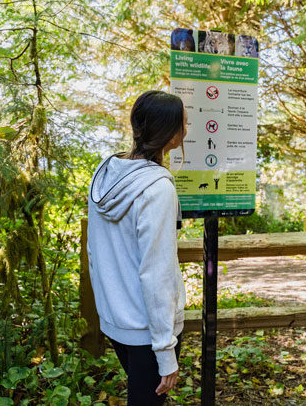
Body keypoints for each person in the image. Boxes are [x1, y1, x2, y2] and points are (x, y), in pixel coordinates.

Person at [87, 91, 187, 405]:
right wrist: (165, 350)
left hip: (116, 322)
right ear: (172, 135)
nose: (188, 127)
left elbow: (95, 251)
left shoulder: (105, 174)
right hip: (148, 331)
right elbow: (156, 273)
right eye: (184, 123)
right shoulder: (157, 188)